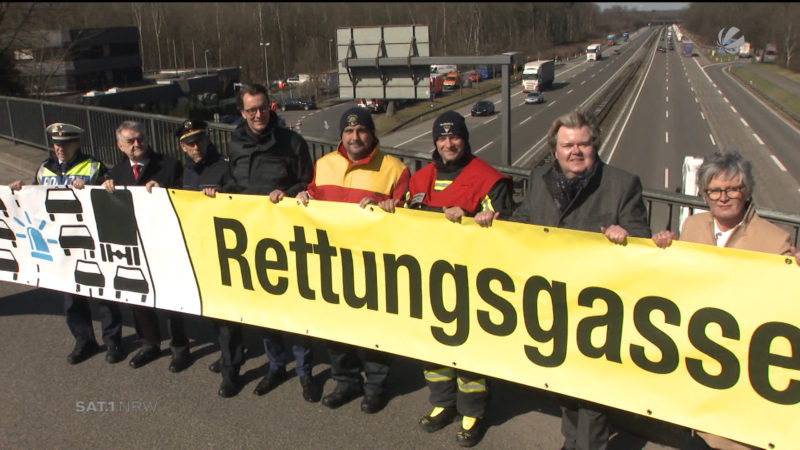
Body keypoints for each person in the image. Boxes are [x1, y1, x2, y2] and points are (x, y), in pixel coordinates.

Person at [513, 109, 651, 450]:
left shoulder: (622, 184)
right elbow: (521, 222)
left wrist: (627, 237)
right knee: (563, 383)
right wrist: (491, 221)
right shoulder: (540, 179)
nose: (575, 151)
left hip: (598, 311)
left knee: (590, 395)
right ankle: (572, 440)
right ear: (555, 150)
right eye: (567, 145)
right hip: (554, 303)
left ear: (596, 145)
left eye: (584, 144)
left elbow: (642, 241)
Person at [652, 150, 792, 450]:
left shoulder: (775, 241)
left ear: (746, 190)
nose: (723, 197)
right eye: (715, 190)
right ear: (704, 194)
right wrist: (663, 248)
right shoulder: (692, 227)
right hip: (700, 362)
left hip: (743, 366)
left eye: (732, 189)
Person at [401, 110, 513, 447]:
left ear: (465, 138)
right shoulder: (420, 179)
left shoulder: (488, 179)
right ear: (435, 141)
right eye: (443, 138)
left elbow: (510, 227)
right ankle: (442, 402)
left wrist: (481, 219)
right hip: (428, 278)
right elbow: (406, 220)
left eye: (455, 137)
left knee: (468, 352)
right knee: (433, 347)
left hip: (472, 283)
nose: (449, 144)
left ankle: (472, 412)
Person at [296, 107, 410, 414]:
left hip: (373, 266)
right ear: (341, 136)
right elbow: (312, 194)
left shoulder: (395, 168)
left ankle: (376, 386)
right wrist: (303, 199)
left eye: (361, 131)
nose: (354, 137)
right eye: (348, 132)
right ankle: (345, 381)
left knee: (372, 329)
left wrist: (389, 207)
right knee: (336, 328)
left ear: (372, 134)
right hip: (331, 262)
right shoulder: (323, 165)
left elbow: (409, 215)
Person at [226, 83, 316, 402]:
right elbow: (232, 182)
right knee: (265, 310)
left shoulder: (292, 142)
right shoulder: (235, 141)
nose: (258, 114)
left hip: (287, 240)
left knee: (294, 308)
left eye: (263, 107)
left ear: (270, 106)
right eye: (251, 109)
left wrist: (290, 194)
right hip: (251, 240)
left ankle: (305, 372)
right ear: (242, 113)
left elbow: (308, 183)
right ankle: (276, 365)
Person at [9, 123, 124, 365]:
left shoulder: (93, 165)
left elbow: (109, 193)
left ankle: (113, 341)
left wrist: (92, 187)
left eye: (65, 143)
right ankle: (84, 341)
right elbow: (35, 198)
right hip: (59, 241)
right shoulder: (44, 169)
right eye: (56, 143)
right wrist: (18, 192)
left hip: (89, 237)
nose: (59, 148)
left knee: (103, 291)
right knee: (71, 295)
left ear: (77, 144)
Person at [101, 120, 192, 373]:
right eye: (130, 141)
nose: (136, 144)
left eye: (140, 139)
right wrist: (103, 189)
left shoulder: (168, 165)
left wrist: (164, 191)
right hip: (134, 245)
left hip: (164, 242)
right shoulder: (114, 174)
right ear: (120, 146)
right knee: (138, 297)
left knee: (171, 300)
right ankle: (150, 344)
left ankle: (180, 348)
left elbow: (185, 198)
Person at [174, 118, 243, 397]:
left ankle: (231, 370)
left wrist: (222, 195)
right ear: (182, 146)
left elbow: (241, 202)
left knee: (227, 315)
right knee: (213, 312)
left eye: (200, 139)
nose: (196, 146)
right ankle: (228, 357)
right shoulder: (185, 171)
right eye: (189, 142)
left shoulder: (224, 166)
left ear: (207, 139)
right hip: (198, 250)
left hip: (225, 252)